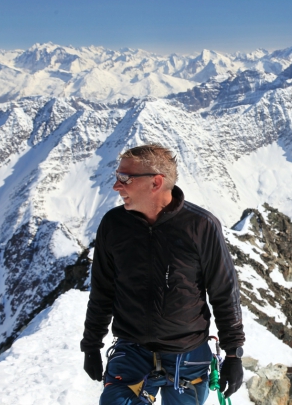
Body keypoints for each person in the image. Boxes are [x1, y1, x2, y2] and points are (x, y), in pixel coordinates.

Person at [80, 144, 245, 404]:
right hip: (132, 348)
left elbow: (224, 292)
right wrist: (91, 345)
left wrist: (233, 355)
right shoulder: (113, 225)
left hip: (188, 354)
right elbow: (103, 290)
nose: (116, 186)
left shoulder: (200, 226)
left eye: (125, 178)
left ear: (156, 182)